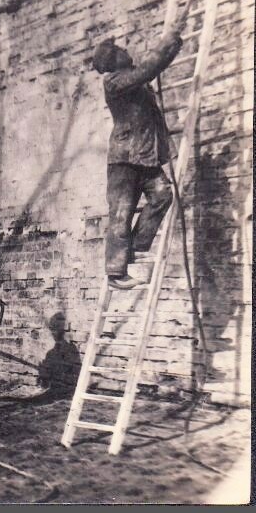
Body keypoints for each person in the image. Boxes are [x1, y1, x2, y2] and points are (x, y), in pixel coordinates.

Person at [92, 27, 183, 289]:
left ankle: (134, 247)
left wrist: (172, 46)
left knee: (163, 195)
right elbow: (148, 69)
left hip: (145, 156)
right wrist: (167, 42)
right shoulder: (114, 82)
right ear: (112, 60)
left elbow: (150, 70)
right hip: (123, 161)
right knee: (122, 213)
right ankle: (115, 273)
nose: (125, 50)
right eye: (120, 50)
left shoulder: (134, 80)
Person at [37, 313, 80, 397]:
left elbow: (72, 375)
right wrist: (43, 373)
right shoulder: (50, 353)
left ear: (63, 330)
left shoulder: (70, 349)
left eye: (56, 329)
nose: (53, 333)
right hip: (54, 388)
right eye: (52, 329)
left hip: (66, 390)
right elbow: (45, 380)